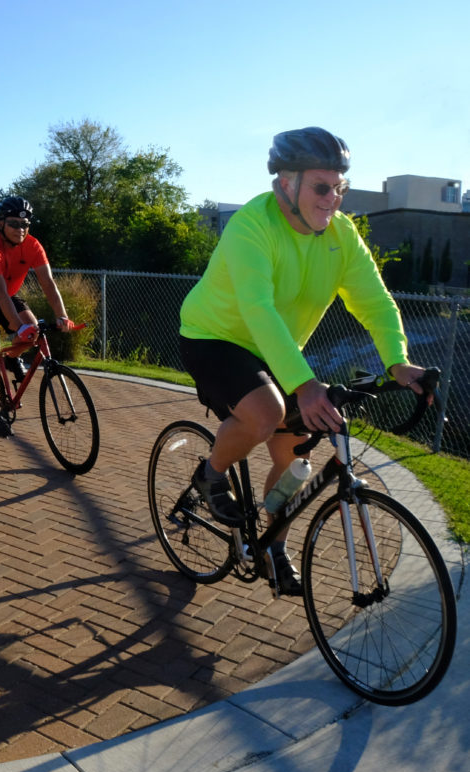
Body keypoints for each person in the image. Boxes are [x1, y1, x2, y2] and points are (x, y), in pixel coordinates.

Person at [178, 126, 431, 596]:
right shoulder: (252, 224)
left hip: (274, 345)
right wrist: (304, 383)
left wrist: (398, 361)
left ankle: (274, 543)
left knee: (294, 457)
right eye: (321, 186)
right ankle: (210, 476)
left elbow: (374, 301)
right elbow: (258, 308)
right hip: (213, 336)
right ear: (286, 184)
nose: (332, 199)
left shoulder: (342, 234)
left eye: (340, 188)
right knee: (266, 412)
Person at [0, 196, 75, 438]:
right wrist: (17, 327)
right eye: (14, 224)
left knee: (34, 331)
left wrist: (62, 315)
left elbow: (49, 284)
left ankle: (12, 358)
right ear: (1, 223)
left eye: (25, 225)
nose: (20, 230)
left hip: (7, 297)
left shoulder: (33, 246)